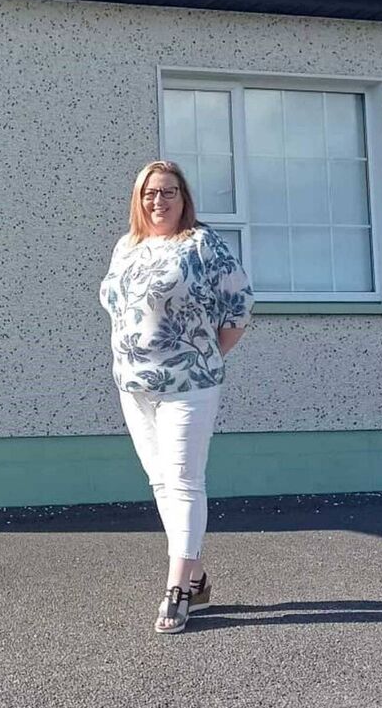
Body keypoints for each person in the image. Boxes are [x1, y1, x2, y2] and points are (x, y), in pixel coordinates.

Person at [99, 160, 254, 634]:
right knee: (161, 482)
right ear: (138, 199)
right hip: (134, 385)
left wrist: (203, 357)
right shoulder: (127, 246)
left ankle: (177, 589)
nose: (158, 201)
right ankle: (198, 575)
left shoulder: (202, 245)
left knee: (184, 480)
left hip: (189, 385)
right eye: (149, 193)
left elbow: (239, 307)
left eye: (168, 192)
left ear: (183, 198)